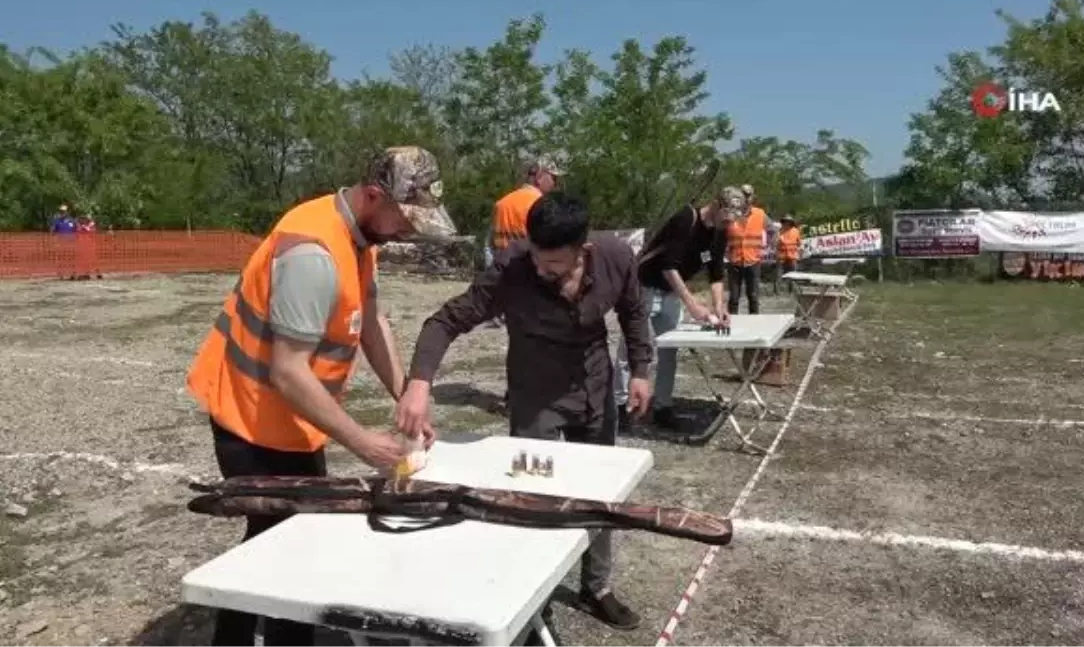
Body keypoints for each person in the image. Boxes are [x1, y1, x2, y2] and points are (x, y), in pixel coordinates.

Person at [185, 146, 452, 647]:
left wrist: (404, 393)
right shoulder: (313, 255)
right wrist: (364, 443)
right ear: (375, 195)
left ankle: (254, 633)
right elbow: (288, 373)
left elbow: (370, 318)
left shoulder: (359, 234)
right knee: (286, 549)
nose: (409, 230)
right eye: (406, 218)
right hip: (251, 420)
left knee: (280, 540)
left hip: (290, 420)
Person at [395, 191, 653, 631]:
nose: (540, 268)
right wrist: (419, 383)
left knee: (602, 493)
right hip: (535, 394)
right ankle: (535, 604)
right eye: (536, 257)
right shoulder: (511, 270)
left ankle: (598, 587)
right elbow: (445, 320)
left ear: (582, 251)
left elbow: (633, 312)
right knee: (532, 496)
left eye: (553, 264)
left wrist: (641, 370)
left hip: (594, 384)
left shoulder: (614, 257)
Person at [613, 186, 749, 431]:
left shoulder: (720, 231)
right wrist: (693, 304)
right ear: (716, 205)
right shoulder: (687, 219)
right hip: (645, 286)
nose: (727, 224)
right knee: (632, 350)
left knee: (669, 352)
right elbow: (668, 266)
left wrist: (719, 306)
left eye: (732, 220)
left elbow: (716, 272)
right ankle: (621, 407)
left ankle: (662, 407)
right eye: (726, 218)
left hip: (670, 293)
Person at [724, 184, 768, 314]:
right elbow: (719, 234)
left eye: (749, 195)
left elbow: (773, 229)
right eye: (744, 194)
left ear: (752, 197)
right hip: (734, 262)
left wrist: (766, 247)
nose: (747, 198)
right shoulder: (729, 214)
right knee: (733, 298)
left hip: (753, 262)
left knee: (753, 297)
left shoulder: (760, 214)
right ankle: (730, 326)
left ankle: (754, 327)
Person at [774, 214, 802, 293]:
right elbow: (775, 243)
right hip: (781, 256)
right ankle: (777, 291)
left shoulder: (796, 231)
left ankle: (791, 290)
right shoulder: (779, 232)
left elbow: (799, 243)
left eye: (788, 222)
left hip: (793, 256)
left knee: (793, 274)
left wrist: (799, 252)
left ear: (791, 223)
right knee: (779, 274)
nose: (786, 223)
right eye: (785, 221)